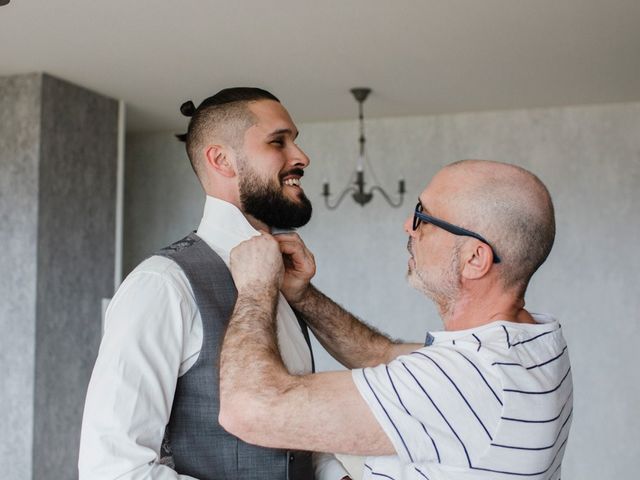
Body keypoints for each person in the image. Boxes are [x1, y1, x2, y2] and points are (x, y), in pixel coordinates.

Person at [219, 160, 573, 479]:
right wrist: (302, 295)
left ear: (475, 259)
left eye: (425, 216)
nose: (409, 226)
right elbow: (381, 354)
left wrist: (254, 287)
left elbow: (247, 411)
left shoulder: (465, 381)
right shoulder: (535, 341)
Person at [79, 88, 351, 480]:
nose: (301, 157)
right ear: (221, 160)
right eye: (279, 141)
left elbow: (296, 432)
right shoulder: (162, 285)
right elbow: (113, 468)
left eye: (296, 140)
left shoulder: (286, 281)